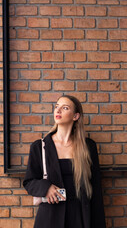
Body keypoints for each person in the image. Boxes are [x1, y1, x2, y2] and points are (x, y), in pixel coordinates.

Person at [23, 95, 106, 228]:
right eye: (57, 107)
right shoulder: (40, 146)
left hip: (80, 217)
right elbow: (29, 181)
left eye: (65, 108)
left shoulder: (88, 147)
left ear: (75, 116)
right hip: (50, 217)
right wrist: (46, 188)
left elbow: (95, 191)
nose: (58, 110)